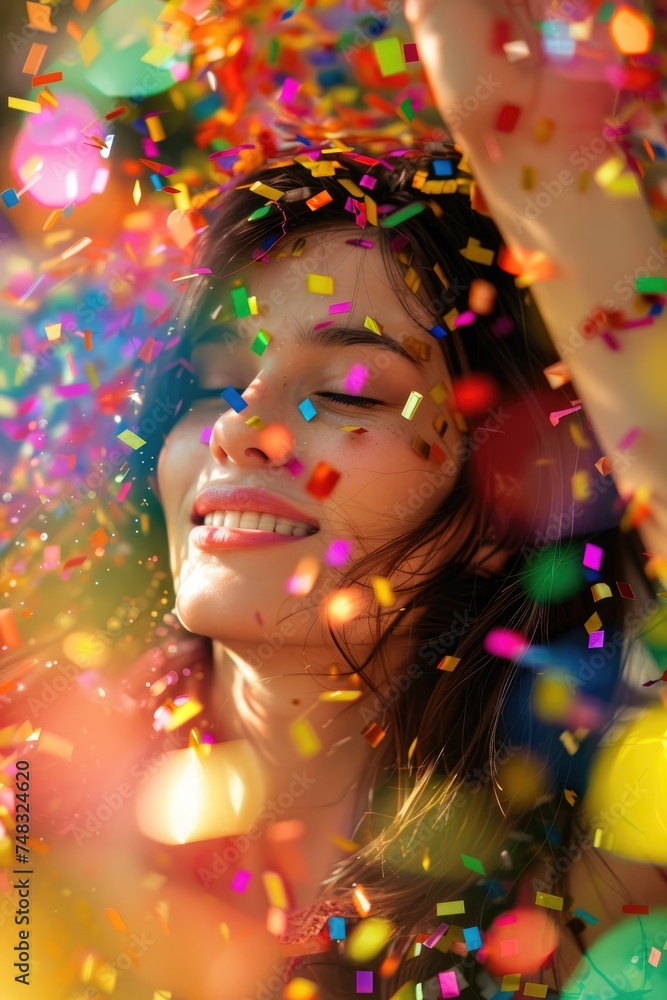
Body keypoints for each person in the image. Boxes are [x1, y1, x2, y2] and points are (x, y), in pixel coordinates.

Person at [2, 3, 666, 1000]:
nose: (241, 426)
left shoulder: (591, 850)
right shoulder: (32, 789)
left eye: (345, 393)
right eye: (216, 384)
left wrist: (552, 172)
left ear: (513, 493)